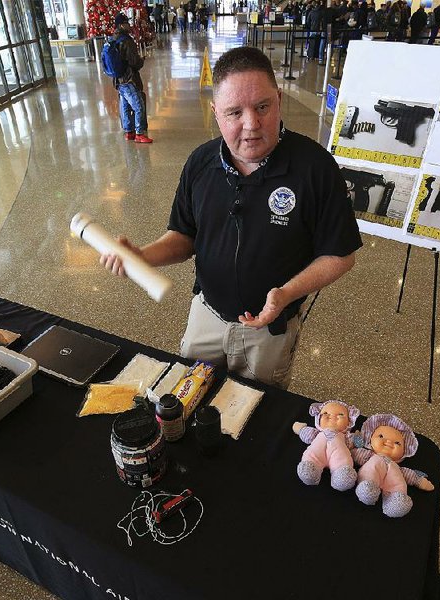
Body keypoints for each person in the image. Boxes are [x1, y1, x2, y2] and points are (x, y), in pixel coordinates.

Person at [99, 47, 361, 388]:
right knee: (188, 395)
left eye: (263, 107)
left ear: (279, 100)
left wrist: (286, 293)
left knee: (257, 412)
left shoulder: (315, 168)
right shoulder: (201, 163)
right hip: (206, 315)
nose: (251, 124)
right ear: (215, 113)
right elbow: (184, 235)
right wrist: (143, 256)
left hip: (269, 330)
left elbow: (340, 254)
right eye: (234, 112)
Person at [110, 14, 153, 144]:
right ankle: (139, 133)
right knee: (138, 106)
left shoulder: (114, 38)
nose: (129, 25)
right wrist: (141, 60)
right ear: (121, 25)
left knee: (126, 106)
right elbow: (134, 62)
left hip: (119, 80)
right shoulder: (127, 41)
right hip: (129, 79)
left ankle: (129, 132)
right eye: (126, 23)